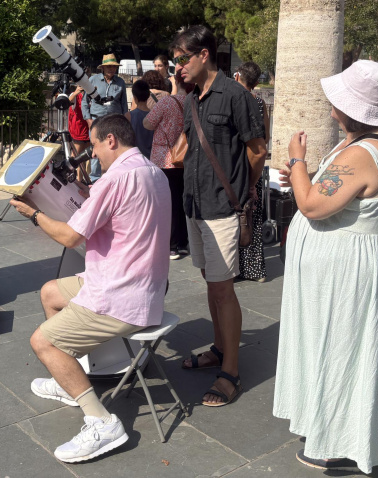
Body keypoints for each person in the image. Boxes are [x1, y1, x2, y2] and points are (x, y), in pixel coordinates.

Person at [273, 60, 378, 473]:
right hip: (356, 266)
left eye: (336, 104)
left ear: (349, 109)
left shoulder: (362, 152)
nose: (332, 110)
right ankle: (333, 426)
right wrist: (305, 177)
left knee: (342, 350)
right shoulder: (373, 143)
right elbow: (330, 192)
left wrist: (298, 162)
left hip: (349, 274)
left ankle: (338, 440)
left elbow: (313, 205)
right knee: (344, 348)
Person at [9, 114, 171, 463]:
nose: (92, 154)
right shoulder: (152, 171)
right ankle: (71, 381)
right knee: (50, 292)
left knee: (43, 341)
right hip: (143, 284)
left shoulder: (116, 179)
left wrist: (33, 214)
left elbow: (70, 236)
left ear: (111, 140)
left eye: (95, 145)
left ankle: (101, 421)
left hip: (120, 294)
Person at [174, 26, 267, 408]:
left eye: (182, 58)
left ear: (204, 54)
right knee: (210, 282)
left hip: (222, 208)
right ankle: (218, 346)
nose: (178, 66)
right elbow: (187, 145)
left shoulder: (235, 96)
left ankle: (231, 370)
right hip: (194, 206)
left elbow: (257, 151)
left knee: (223, 289)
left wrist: (244, 191)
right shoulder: (193, 98)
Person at [145, 70, 192, 259]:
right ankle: (183, 242)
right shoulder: (192, 102)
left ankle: (171, 245)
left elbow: (148, 123)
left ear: (176, 81)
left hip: (164, 158)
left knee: (167, 202)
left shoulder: (166, 102)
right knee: (182, 201)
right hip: (185, 156)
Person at [234, 61, 270, 282]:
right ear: (257, 82)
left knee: (234, 216)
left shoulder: (234, 100)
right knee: (251, 216)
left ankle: (234, 267)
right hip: (254, 165)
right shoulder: (260, 102)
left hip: (236, 165)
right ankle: (255, 269)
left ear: (237, 76)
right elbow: (264, 137)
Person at [82, 54, 129, 182]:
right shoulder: (93, 80)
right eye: (108, 66)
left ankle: (113, 180)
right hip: (96, 121)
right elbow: (84, 102)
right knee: (96, 153)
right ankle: (95, 182)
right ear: (103, 67)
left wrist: (126, 123)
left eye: (113, 67)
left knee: (115, 151)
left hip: (115, 122)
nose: (111, 69)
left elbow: (124, 104)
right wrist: (88, 120)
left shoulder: (120, 82)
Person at [124, 80, 154, 158]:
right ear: (148, 96)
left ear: (135, 98)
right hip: (152, 159)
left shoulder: (128, 116)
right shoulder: (155, 115)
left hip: (134, 159)